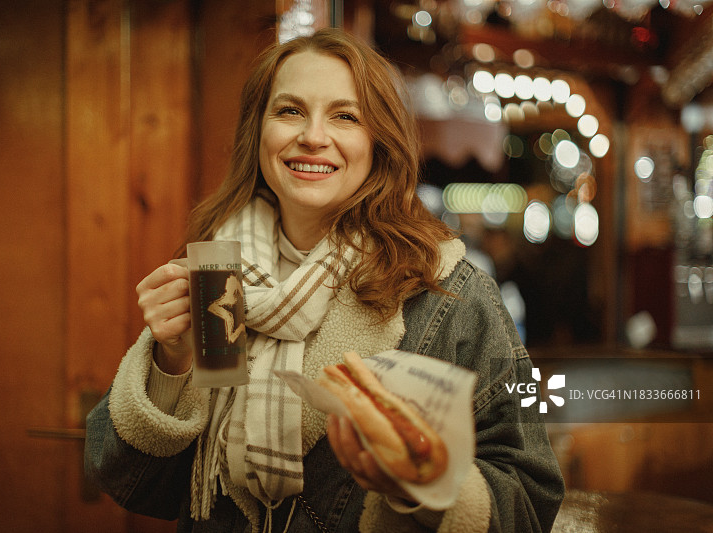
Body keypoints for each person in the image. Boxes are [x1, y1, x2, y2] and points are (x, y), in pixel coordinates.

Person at [84, 28, 564, 533]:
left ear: (379, 141)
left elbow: (530, 500)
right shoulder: (216, 271)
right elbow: (132, 485)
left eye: (345, 116)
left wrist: (425, 483)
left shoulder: (449, 291)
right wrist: (171, 362)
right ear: (258, 132)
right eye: (289, 111)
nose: (313, 136)